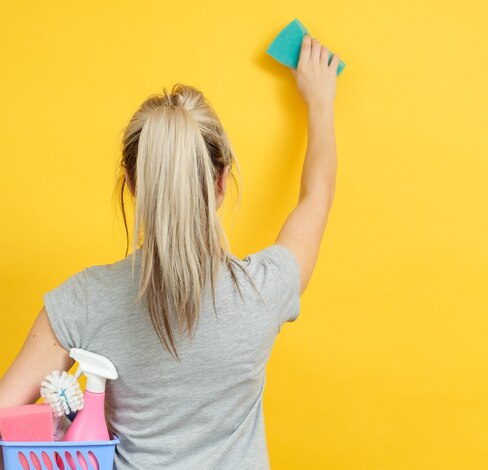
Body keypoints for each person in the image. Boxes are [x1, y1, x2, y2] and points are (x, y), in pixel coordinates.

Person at [0, 34, 339, 469]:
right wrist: (321, 103)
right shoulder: (264, 289)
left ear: (133, 184)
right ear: (221, 182)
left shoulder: (83, 300)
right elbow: (317, 197)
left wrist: (63, 427)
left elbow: (6, 415)